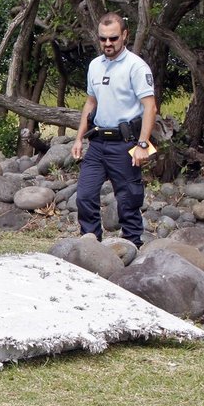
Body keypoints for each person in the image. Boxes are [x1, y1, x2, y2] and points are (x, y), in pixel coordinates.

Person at [71, 13, 156, 248]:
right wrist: (79, 138)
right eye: (103, 39)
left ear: (125, 35)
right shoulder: (95, 66)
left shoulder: (136, 66)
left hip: (126, 143)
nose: (108, 43)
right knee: (85, 196)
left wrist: (142, 145)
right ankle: (91, 245)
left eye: (113, 38)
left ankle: (132, 247)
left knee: (128, 199)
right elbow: (90, 103)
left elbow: (150, 107)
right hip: (98, 143)